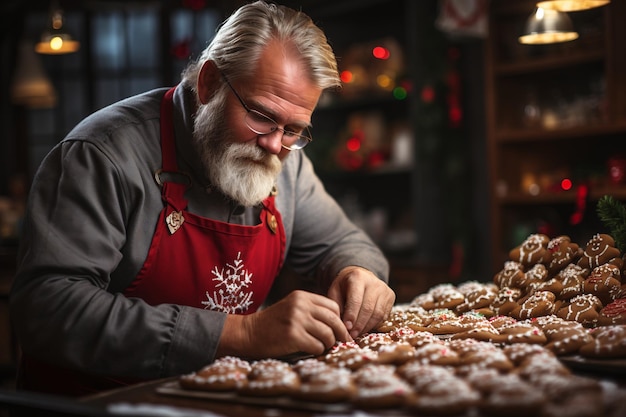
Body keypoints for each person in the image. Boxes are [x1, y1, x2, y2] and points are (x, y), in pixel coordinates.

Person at [9, 0, 395, 397]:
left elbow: (344, 243)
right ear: (209, 82)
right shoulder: (102, 154)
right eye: (260, 115)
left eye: (295, 129)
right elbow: (47, 310)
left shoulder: (283, 160)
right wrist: (241, 333)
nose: (275, 145)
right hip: (92, 404)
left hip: (214, 401)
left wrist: (357, 272)